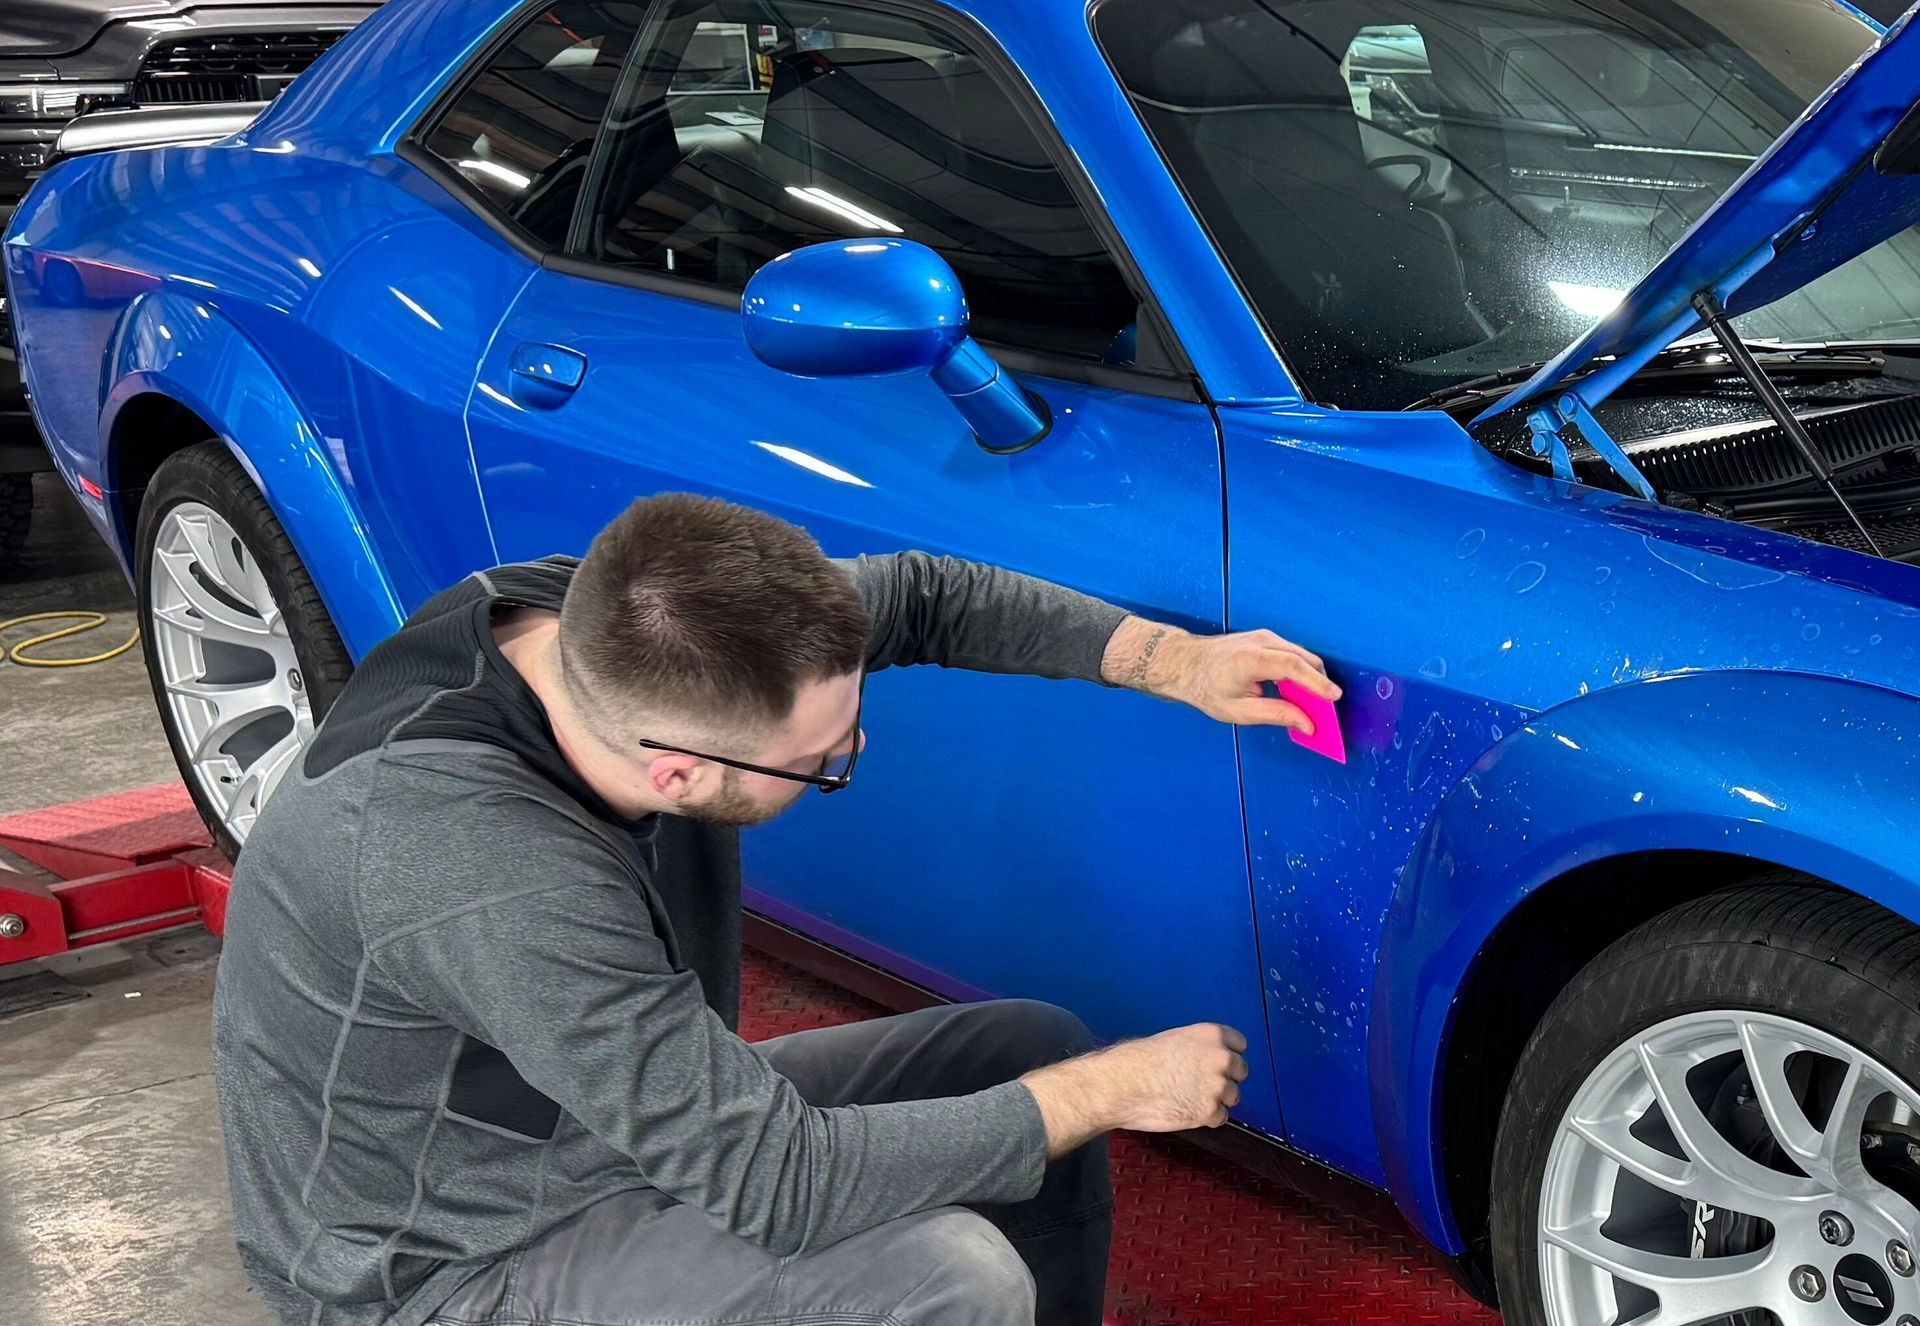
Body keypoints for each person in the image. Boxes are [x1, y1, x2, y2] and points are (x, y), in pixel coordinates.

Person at [212, 492, 1340, 1326]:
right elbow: (775, 1182)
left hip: (594, 1126)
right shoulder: (485, 864)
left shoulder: (628, 631)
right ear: (679, 777)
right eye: (821, 762)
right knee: (951, 1273)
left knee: (1021, 1049)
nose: (856, 748)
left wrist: (1172, 660)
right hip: (443, 1256)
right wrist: (1105, 1092)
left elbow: (929, 595)